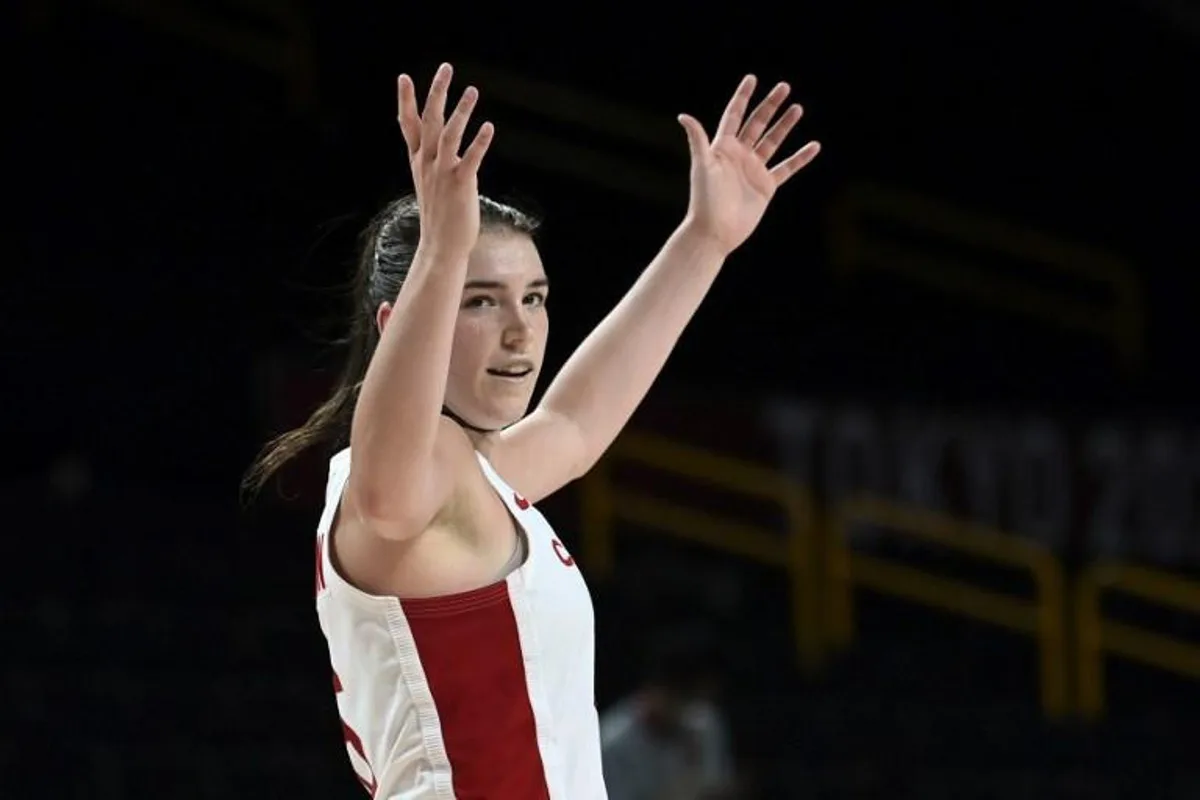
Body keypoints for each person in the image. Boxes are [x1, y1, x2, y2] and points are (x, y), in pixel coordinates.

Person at [243, 62, 819, 799]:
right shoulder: (392, 488)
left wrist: (704, 239)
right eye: (480, 301)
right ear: (401, 326)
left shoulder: (474, 483)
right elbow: (390, 496)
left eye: (535, 298)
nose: (521, 332)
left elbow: (575, 423)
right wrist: (441, 254)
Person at [600, 625, 741, 800]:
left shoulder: (704, 722)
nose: (688, 712)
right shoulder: (613, 743)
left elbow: (719, 787)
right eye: (682, 697)